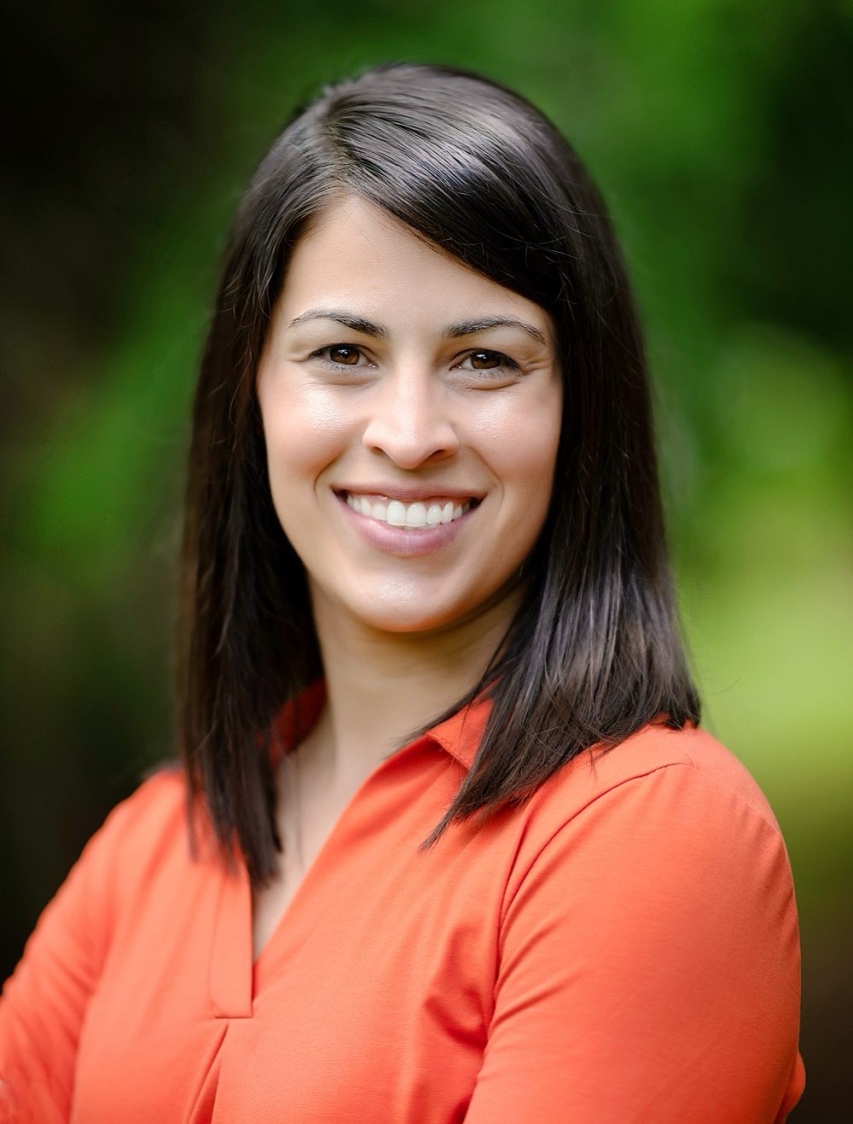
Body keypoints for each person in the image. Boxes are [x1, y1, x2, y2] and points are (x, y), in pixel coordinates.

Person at [0, 62, 804, 1122]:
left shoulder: (649, 832)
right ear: (252, 394)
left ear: (579, 408)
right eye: (343, 352)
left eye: (484, 360)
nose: (410, 433)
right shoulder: (153, 846)